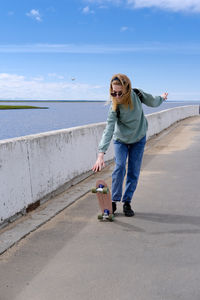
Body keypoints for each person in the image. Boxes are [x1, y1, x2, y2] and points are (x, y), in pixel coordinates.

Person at [92, 74, 168, 217]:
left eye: (120, 92)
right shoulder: (115, 106)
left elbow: (153, 101)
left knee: (133, 171)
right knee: (120, 167)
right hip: (120, 139)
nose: (117, 95)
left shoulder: (137, 94)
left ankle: (127, 202)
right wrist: (100, 154)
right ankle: (113, 201)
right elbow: (109, 128)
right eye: (113, 92)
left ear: (127, 89)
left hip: (138, 138)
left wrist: (162, 98)